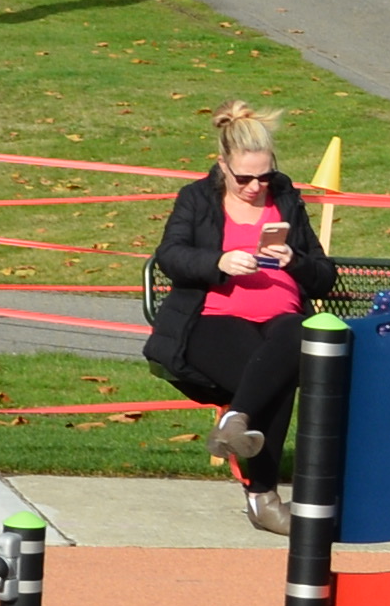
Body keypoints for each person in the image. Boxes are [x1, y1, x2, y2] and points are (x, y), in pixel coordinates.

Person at [137, 104, 340, 533]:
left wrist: (295, 261)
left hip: (282, 316)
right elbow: (171, 256)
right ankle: (262, 497)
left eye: (263, 177)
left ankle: (236, 422)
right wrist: (220, 261)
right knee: (276, 373)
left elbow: (323, 277)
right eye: (243, 177)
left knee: (292, 337)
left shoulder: (287, 199)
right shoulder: (197, 198)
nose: (254, 186)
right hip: (213, 317)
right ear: (222, 165)